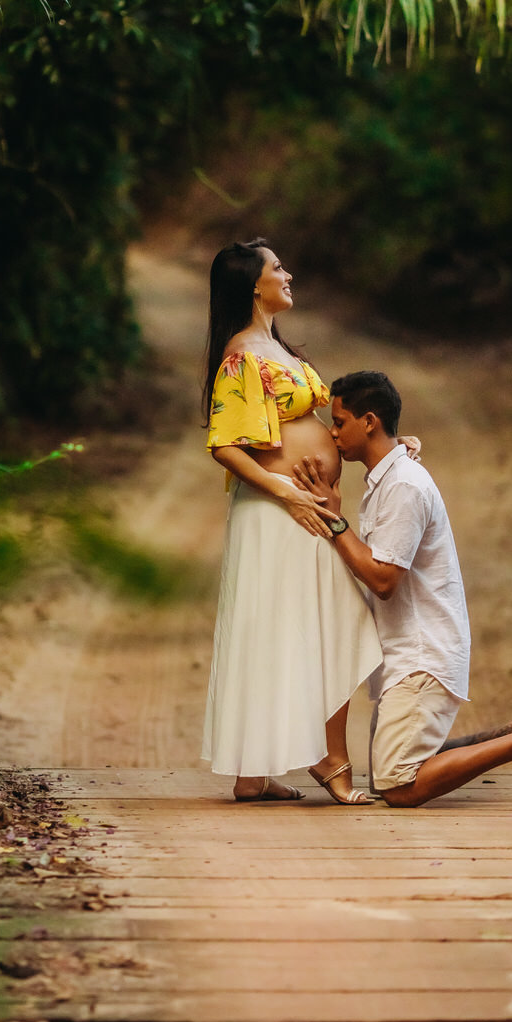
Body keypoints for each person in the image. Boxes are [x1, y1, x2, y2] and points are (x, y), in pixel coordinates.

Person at [293, 370, 512, 808]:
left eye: (339, 421)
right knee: (395, 769)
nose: (332, 432)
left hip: (423, 657)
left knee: (399, 785)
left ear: (369, 422)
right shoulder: (391, 476)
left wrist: (335, 521)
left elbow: (383, 580)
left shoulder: (403, 485)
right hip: (409, 655)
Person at [201, 239, 383, 804]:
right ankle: (330, 760)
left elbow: (335, 426)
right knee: (318, 624)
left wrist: (391, 444)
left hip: (304, 508)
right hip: (278, 512)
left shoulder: (276, 348)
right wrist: (285, 489)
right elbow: (225, 444)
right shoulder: (241, 354)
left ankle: (254, 775)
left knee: (313, 624)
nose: (288, 273)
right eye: (277, 267)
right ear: (253, 285)